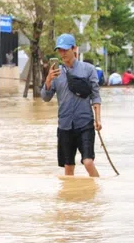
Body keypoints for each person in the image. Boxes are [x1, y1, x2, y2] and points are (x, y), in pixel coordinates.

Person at [41, 34, 102, 178]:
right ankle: (69, 199)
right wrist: (48, 80)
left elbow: (95, 96)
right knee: (68, 166)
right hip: (65, 125)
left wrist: (98, 119)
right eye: (59, 50)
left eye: (65, 50)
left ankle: (98, 191)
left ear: (74, 49)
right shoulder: (56, 73)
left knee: (88, 162)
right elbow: (45, 97)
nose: (62, 54)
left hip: (85, 123)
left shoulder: (88, 69)